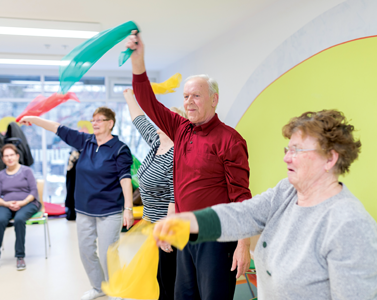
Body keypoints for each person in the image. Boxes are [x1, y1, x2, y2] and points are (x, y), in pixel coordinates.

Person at [155, 110, 377, 299]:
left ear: (330, 159)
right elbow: (244, 213)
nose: (287, 158)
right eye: (287, 150)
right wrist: (186, 221)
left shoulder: (349, 224)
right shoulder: (287, 192)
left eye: (297, 150)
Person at [126, 32, 252, 300]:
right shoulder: (180, 129)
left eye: (196, 96)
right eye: (185, 96)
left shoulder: (230, 140)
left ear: (214, 99)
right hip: (185, 235)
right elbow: (146, 100)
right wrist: (138, 63)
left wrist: (244, 244)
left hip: (217, 239)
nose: (189, 102)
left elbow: (241, 198)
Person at [19, 107, 134, 300]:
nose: (94, 123)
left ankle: (116, 289)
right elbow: (57, 128)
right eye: (93, 120)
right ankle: (99, 287)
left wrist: (128, 208)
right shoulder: (85, 141)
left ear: (110, 123)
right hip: (84, 210)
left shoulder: (120, 149)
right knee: (86, 251)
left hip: (109, 210)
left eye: (99, 120)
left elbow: (125, 179)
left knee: (108, 254)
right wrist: (33, 118)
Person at [124, 88, 186, 300]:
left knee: (167, 282)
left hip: (167, 227)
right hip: (151, 223)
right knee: (156, 278)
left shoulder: (177, 154)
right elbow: (139, 120)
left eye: (164, 119)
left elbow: (174, 198)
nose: (158, 122)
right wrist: (128, 96)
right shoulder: (157, 142)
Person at [0, 144, 40, 273]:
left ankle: (20, 256)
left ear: (17, 156)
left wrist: (22, 202)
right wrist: (8, 204)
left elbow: (34, 191)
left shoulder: (26, 171)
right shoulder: (0, 175)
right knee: (0, 220)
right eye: (6, 156)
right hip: (7, 204)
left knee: (19, 219)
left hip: (28, 203)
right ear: (2, 159)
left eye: (11, 155)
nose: (9, 158)